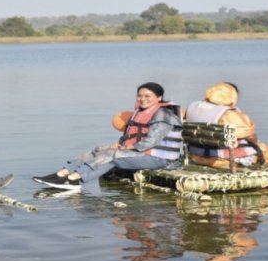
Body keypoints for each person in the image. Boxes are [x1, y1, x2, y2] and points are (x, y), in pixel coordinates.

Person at [32, 82, 183, 192]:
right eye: (140, 96)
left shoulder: (164, 115)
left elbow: (151, 141)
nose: (143, 99)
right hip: (141, 154)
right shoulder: (140, 112)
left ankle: (75, 179)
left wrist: (126, 148)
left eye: (148, 96)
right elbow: (130, 135)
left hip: (160, 159)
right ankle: (63, 173)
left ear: (159, 97)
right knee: (99, 150)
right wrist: (120, 144)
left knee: (113, 156)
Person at [185, 82, 268, 169]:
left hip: (196, 155)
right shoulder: (227, 114)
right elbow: (250, 136)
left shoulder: (193, 107)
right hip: (220, 160)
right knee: (265, 149)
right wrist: (256, 143)